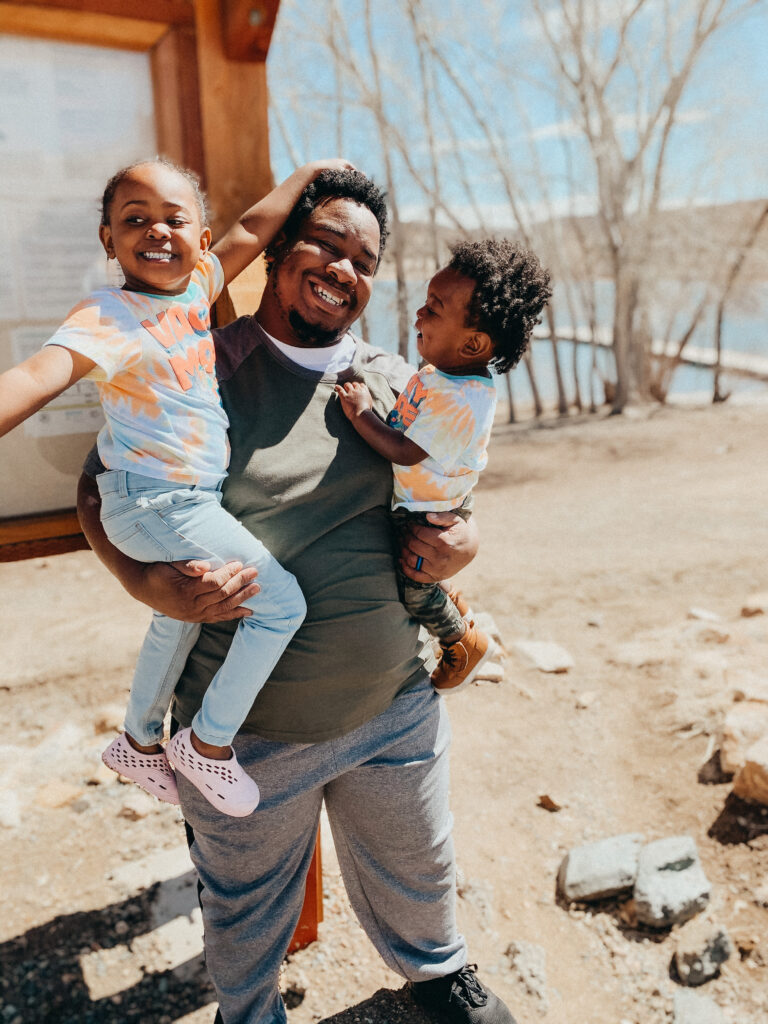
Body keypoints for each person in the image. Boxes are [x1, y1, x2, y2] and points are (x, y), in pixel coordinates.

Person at [77, 168, 519, 1024]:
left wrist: (468, 542)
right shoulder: (201, 366)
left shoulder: (397, 382)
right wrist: (144, 581)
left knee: (424, 882)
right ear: (278, 253)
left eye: (364, 258)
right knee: (245, 924)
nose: (342, 267)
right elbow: (98, 487)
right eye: (325, 241)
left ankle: (439, 978)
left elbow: (447, 493)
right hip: (242, 740)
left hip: (393, 709)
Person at [0, 157, 350, 817]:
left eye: (174, 219)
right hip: (157, 500)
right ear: (109, 240)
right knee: (280, 606)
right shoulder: (111, 316)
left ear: (202, 241)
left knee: (179, 611)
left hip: (179, 501)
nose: (157, 232)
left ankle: (136, 741)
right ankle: (208, 746)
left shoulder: (194, 289)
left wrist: (307, 176)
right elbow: (34, 376)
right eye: (135, 220)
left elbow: (253, 226)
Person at [335, 239, 551, 692]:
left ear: (473, 342)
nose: (418, 314)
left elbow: (405, 449)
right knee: (420, 573)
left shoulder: (461, 397)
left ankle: (461, 641)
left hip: (424, 510)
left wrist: (360, 414)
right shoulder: (446, 373)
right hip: (427, 495)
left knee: (414, 585)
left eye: (434, 309)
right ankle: (451, 600)